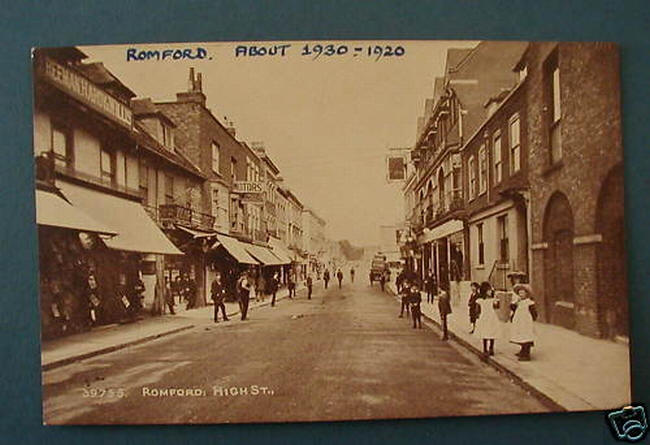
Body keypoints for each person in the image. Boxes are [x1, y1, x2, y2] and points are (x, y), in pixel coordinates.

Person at [510, 283, 537, 361]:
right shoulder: (518, 302)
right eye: (519, 293)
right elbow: (512, 308)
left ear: (526, 294)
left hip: (526, 322)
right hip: (519, 322)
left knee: (526, 337)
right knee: (520, 336)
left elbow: (534, 313)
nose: (521, 295)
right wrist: (515, 302)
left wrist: (531, 320)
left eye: (523, 293)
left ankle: (526, 354)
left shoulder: (529, 302)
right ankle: (522, 350)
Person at [475, 281, 500, 358]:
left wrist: (496, 300)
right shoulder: (481, 300)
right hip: (484, 317)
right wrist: (477, 315)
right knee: (484, 332)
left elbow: (497, 307)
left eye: (490, 290)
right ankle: (485, 349)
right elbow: (477, 309)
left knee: (492, 332)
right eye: (488, 290)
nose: (490, 291)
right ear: (484, 291)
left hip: (491, 317)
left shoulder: (492, 300)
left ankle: (491, 348)